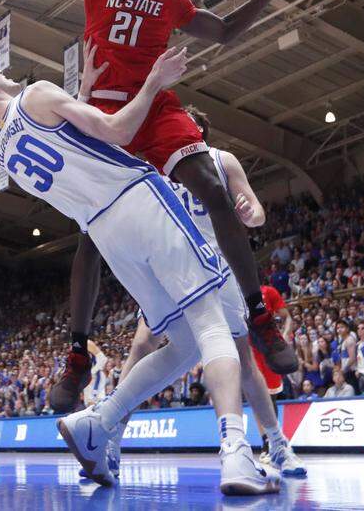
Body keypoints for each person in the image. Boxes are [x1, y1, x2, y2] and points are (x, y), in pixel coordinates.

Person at [0, 0, 315, 412]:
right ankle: (78, 353)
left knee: (211, 187)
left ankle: (257, 315)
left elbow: (227, 31)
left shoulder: (172, 1)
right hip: (106, 108)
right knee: (91, 232)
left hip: (156, 107)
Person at [0, 49, 280, 495]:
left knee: (183, 345)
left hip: (106, 235)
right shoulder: (37, 93)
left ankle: (99, 420)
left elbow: (73, 148)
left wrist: (84, 91)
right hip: (138, 198)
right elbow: (115, 130)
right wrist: (154, 81)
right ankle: (237, 454)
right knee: (211, 321)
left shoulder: (5, 154)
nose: (0, 68)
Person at [91, 104, 304, 480]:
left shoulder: (221, 161)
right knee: (141, 346)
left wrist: (249, 212)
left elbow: (256, 211)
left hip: (219, 267)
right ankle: (110, 438)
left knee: (243, 360)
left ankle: (277, 443)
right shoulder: (154, 165)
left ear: (199, 132)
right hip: (171, 267)